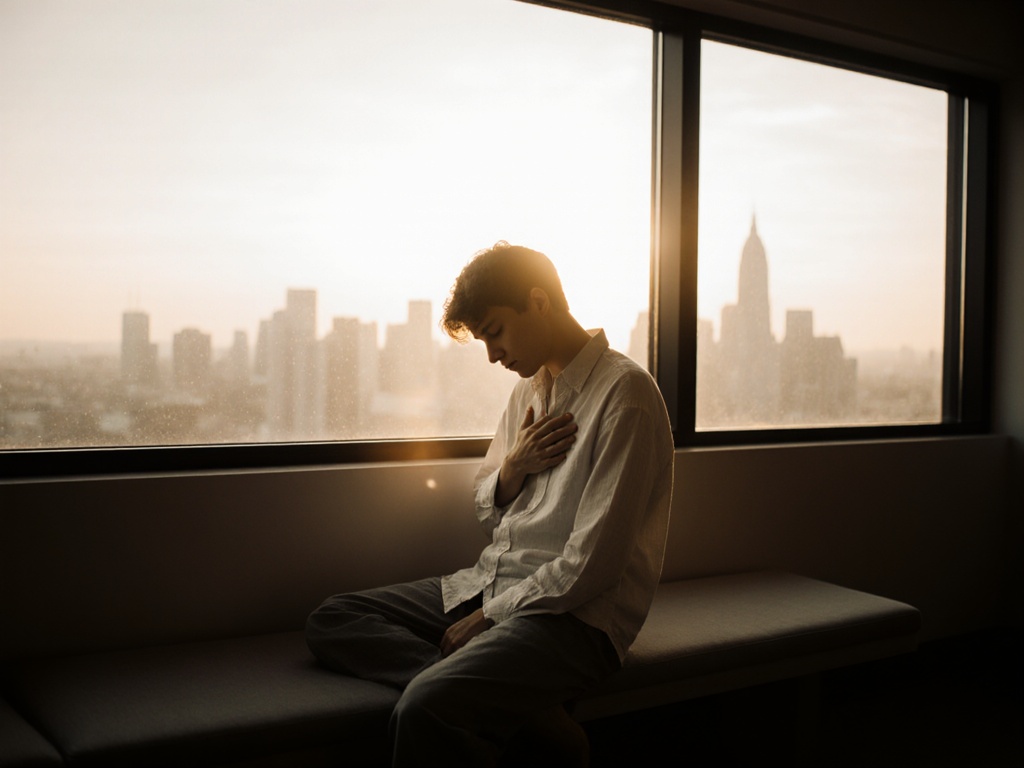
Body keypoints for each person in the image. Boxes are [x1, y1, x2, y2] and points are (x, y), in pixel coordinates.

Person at [305, 242, 674, 767]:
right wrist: (513, 468)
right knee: (333, 618)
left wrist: (487, 618)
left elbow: (594, 565)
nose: (493, 355)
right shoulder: (528, 393)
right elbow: (487, 512)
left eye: (495, 332)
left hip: (573, 621)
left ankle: (465, 687)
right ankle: (528, 713)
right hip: (491, 582)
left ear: (539, 302)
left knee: (423, 709)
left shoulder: (626, 395)